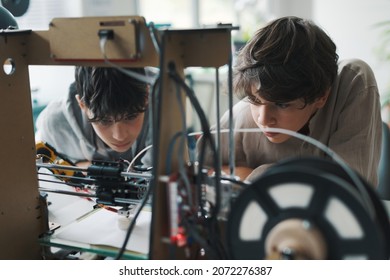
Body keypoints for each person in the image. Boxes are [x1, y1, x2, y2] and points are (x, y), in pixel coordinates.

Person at [201, 16, 382, 187]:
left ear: (321, 96)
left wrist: (261, 175)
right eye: (255, 100)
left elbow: (349, 190)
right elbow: (197, 173)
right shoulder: (240, 117)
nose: (263, 120)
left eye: (281, 104)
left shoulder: (353, 81)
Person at [35, 66, 152, 169]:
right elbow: (44, 162)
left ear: (147, 96)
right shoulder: (54, 124)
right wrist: (81, 168)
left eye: (131, 116)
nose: (119, 136)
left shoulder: (167, 102)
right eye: (104, 120)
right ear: (82, 105)